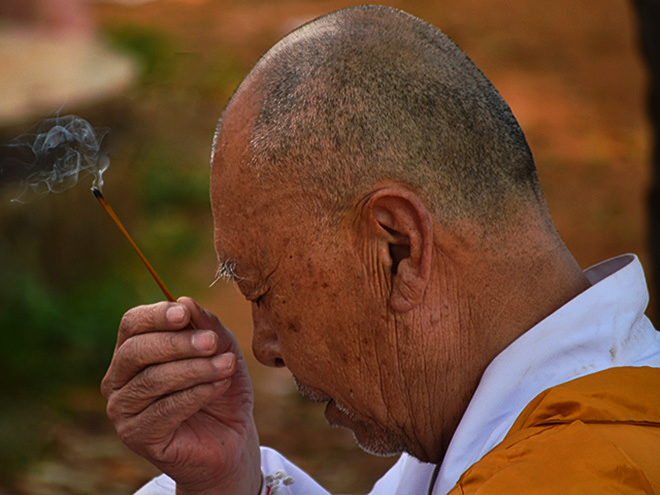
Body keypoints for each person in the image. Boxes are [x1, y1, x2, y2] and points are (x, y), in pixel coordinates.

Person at [101, 6, 660, 495]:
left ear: (398, 249)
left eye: (265, 293)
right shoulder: (573, 410)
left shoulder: (570, 474)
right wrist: (226, 478)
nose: (265, 347)